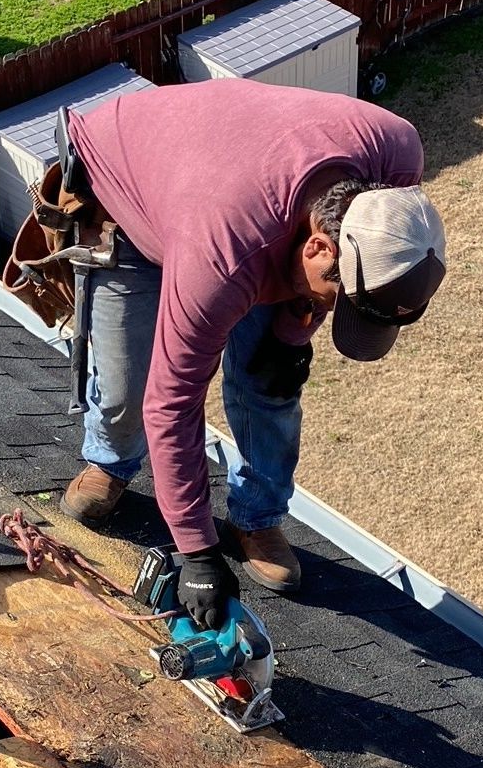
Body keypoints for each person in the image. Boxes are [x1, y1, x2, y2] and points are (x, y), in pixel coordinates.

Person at [57, 78, 446, 629]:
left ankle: (256, 516)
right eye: (335, 299)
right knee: (130, 385)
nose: (328, 310)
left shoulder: (396, 160)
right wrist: (196, 554)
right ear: (317, 246)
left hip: (222, 192)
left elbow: (324, 284)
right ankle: (109, 460)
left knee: (273, 383)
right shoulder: (223, 260)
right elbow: (172, 406)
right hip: (128, 184)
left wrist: (291, 337)